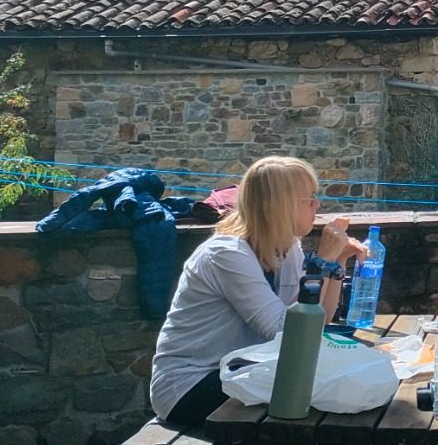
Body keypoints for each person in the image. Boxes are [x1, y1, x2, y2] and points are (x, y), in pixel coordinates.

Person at [149, 156, 365, 426]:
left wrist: (338, 262)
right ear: (281, 205)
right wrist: (323, 262)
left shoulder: (288, 247)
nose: (317, 205)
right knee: (326, 390)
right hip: (190, 385)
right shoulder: (226, 254)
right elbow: (286, 333)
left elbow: (315, 324)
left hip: (240, 371)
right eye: (309, 198)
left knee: (341, 382)